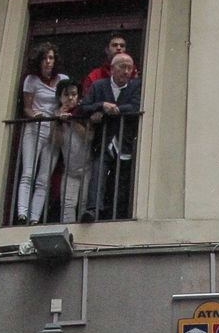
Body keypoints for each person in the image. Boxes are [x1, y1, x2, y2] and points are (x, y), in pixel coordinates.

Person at [78, 51, 141, 222]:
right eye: (122, 67)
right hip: (104, 139)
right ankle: (93, 210)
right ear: (112, 69)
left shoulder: (136, 86)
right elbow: (84, 107)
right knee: (98, 172)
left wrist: (114, 110)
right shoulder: (98, 86)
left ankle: (119, 214)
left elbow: (135, 106)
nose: (126, 71)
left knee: (122, 180)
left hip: (125, 140)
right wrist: (101, 105)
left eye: (129, 68)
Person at [13, 41, 66, 224]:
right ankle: (22, 213)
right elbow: (27, 108)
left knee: (44, 178)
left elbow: (67, 102)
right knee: (28, 172)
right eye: (44, 58)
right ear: (38, 61)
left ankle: (35, 217)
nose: (48, 62)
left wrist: (60, 114)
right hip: (35, 128)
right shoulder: (31, 80)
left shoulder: (63, 79)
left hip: (53, 129)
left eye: (51, 58)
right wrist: (35, 115)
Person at [53, 79, 91, 224]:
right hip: (70, 170)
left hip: (88, 167)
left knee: (84, 202)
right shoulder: (56, 116)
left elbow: (89, 137)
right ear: (60, 97)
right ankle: (69, 231)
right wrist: (58, 122)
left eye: (74, 94)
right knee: (67, 204)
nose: (70, 98)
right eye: (66, 95)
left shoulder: (84, 113)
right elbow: (57, 142)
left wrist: (72, 120)